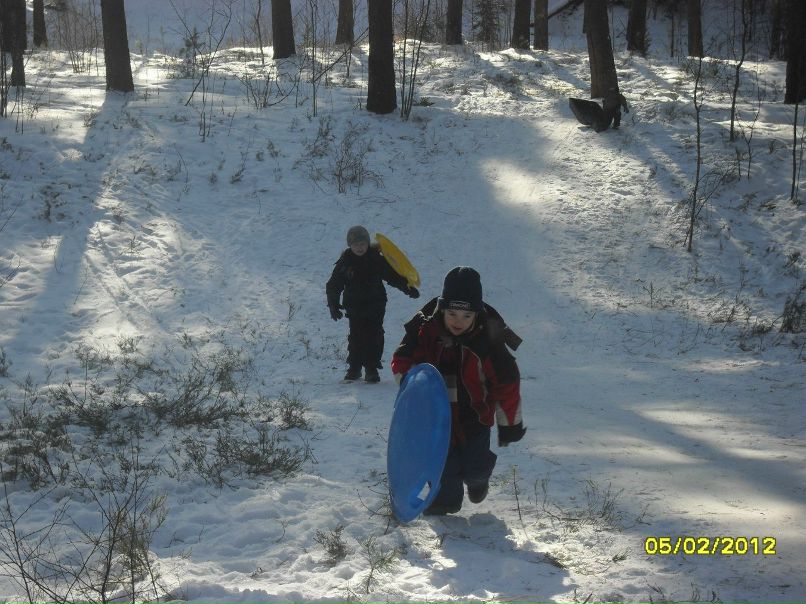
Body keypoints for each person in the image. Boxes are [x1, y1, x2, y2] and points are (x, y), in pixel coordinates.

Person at [391, 266, 525, 515]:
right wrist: (412, 391)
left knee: (475, 467)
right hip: (437, 421)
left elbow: (507, 383)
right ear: (442, 309)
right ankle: (444, 506)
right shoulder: (425, 331)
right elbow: (402, 360)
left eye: (466, 316)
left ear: (476, 314)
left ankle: (478, 480)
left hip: (475, 418)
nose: (457, 322)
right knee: (444, 467)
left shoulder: (487, 343)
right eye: (451, 313)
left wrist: (509, 423)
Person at [326, 226, 420, 383]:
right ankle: (354, 368)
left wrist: (407, 288)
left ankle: (371, 368)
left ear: (368, 243)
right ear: (350, 245)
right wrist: (333, 304)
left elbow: (393, 276)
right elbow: (333, 285)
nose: (360, 247)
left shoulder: (375, 259)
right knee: (356, 336)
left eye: (362, 244)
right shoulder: (345, 262)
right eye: (356, 244)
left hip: (375, 304)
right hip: (354, 306)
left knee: (374, 335)